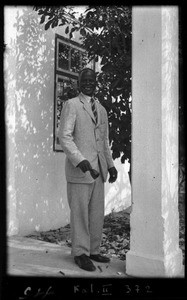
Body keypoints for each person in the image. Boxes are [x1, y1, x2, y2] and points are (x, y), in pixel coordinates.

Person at [59, 68, 118, 272]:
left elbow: (104, 143)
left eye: (92, 80)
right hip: (80, 172)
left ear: (96, 83)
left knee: (95, 215)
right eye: (84, 80)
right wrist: (80, 160)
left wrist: (110, 166)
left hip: (98, 172)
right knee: (80, 215)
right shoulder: (72, 105)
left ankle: (93, 250)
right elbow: (64, 137)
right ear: (78, 83)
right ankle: (81, 254)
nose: (88, 83)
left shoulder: (101, 110)